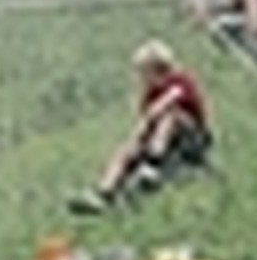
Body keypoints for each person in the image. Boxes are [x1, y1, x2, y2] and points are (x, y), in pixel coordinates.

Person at [68, 41, 212, 215]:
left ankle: (154, 163)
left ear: (156, 69)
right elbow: (146, 121)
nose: (141, 78)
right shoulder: (150, 94)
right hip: (159, 138)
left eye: (144, 73)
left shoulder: (180, 81)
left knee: (170, 116)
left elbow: (168, 102)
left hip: (190, 138)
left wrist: (150, 117)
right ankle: (104, 193)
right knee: (125, 149)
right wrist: (134, 142)